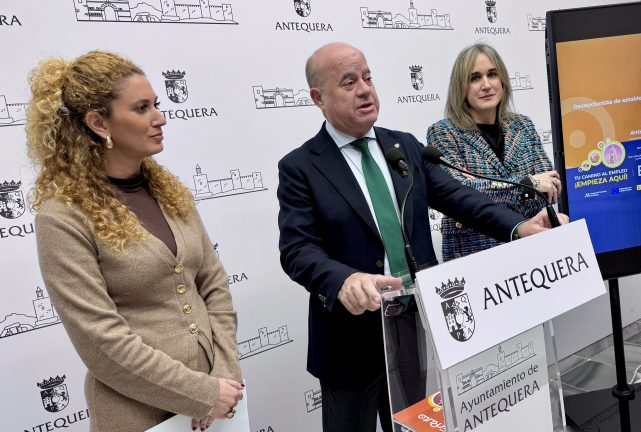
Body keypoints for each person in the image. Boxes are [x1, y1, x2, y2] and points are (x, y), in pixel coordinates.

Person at [277, 42, 567, 432]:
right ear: (318, 98)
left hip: (413, 325)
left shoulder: (404, 148)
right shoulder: (300, 167)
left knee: (418, 427)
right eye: (349, 82)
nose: (365, 89)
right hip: (349, 340)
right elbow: (297, 249)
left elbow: (463, 201)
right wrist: (343, 280)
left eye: (368, 77)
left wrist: (519, 227)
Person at [27, 51, 244, 432]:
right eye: (142, 108)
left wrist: (222, 377)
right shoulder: (62, 216)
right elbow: (101, 343)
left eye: (157, 105)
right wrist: (198, 392)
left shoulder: (168, 190)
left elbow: (213, 283)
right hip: (135, 415)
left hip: (216, 403)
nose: (160, 118)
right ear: (98, 123)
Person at [427, 43, 562, 261]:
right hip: (477, 257)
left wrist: (486, 188)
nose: (486, 85)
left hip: (532, 252)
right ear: (460, 87)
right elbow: (459, 197)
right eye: (475, 78)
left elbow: (551, 188)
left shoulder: (523, 125)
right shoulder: (444, 132)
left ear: (503, 80)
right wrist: (528, 185)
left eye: (492, 74)